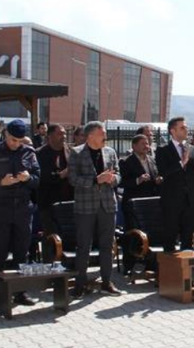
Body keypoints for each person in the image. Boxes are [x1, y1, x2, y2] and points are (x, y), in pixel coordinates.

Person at [0, 120, 41, 308]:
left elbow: (37, 179)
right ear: (5, 135)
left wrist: (29, 178)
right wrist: (0, 183)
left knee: (22, 252)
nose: (16, 144)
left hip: (22, 208)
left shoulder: (29, 153)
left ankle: (20, 292)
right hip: (1, 208)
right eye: (13, 139)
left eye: (20, 141)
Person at [69, 122, 122, 297]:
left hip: (107, 204)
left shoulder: (110, 152)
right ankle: (80, 284)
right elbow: (72, 179)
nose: (105, 137)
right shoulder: (76, 153)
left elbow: (119, 175)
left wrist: (112, 179)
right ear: (91, 135)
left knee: (107, 245)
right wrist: (95, 180)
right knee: (84, 246)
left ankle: (106, 282)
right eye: (102, 134)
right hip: (85, 206)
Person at [155, 117, 194, 252]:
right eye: (182, 127)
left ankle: (186, 270)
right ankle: (170, 270)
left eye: (186, 127)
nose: (186, 130)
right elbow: (163, 172)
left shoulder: (191, 149)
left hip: (189, 201)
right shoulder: (163, 150)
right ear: (173, 130)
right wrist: (180, 163)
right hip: (171, 201)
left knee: (188, 237)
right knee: (170, 236)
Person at [35, 124, 73, 236]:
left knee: (69, 236)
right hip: (48, 203)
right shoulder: (39, 154)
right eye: (60, 134)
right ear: (50, 136)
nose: (64, 136)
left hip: (69, 201)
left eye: (64, 133)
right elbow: (40, 178)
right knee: (51, 237)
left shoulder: (71, 152)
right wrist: (61, 175)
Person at [119, 134, 161, 228]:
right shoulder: (125, 162)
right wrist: (138, 180)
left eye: (147, 144)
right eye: (143, 144)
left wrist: (157, 180)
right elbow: (121, 182)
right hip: (133, 204)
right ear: (134, 146)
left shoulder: (152, 160)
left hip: (150, 203)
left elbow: (154, 177)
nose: (146, 146)